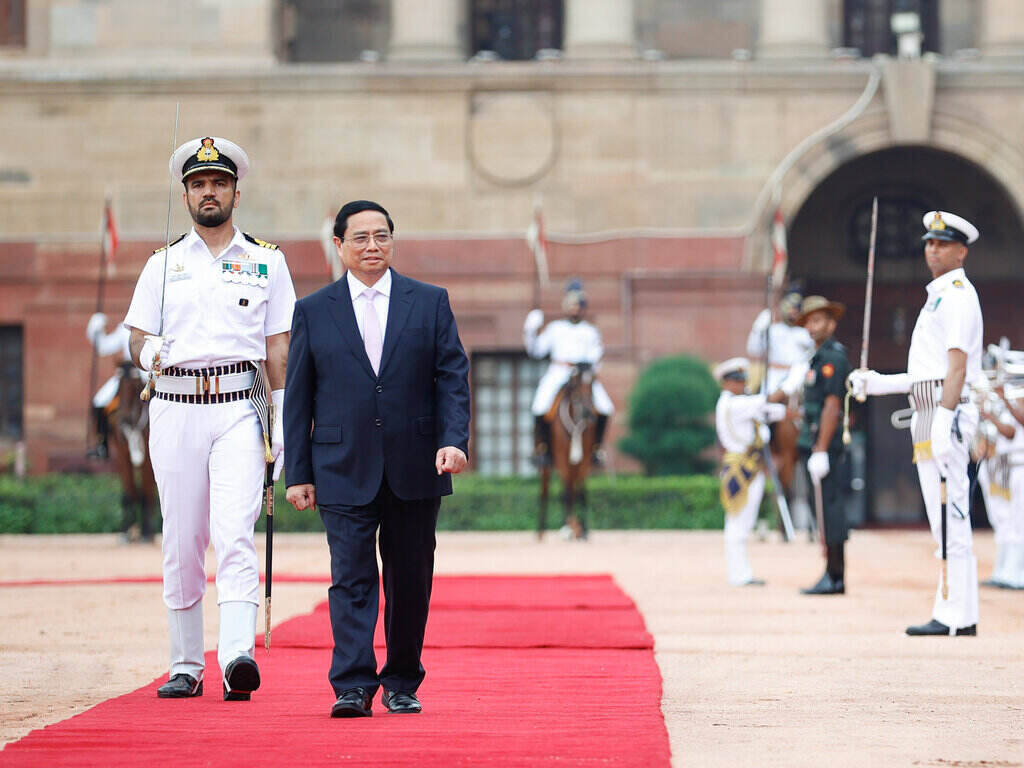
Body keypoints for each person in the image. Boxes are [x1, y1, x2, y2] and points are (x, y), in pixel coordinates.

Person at [284, 200, 471, 718]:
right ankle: (352, 684)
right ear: (339, 245)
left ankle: (402, 682)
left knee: (410, 579)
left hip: (417, 466)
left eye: (382, 236)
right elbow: (298, 398)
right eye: (361, 238)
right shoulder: (313, 310)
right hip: (341, 466)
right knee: (351, 577)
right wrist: (297, 471)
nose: (373, 246)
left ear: (393, 241)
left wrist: (454, 440)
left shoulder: (429, 302)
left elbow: (452, 378)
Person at [124, 136, 296, 698]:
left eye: (218, 183)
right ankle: (184, 664)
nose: (208, 192)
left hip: (237, 410)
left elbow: (278, 350)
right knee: (181, 538)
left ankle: (237, 656)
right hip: (174, 407)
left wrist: (282, 422)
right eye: (198, 184)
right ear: (186, 195)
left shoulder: (267, 260)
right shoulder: (163, 263)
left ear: (236, 193)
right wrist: (153, 354)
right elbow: (135, 339)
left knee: (235, 532)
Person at [850, 210, 983, 635]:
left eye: (942, 244)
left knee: (952, 518)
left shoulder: (959, 293)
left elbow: (957, 367)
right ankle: (953, 609)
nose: (933, 249)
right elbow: (924, 371)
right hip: (927, 413)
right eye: (929, 243)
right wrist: (878, 383)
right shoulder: (937, 295)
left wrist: (944, 418)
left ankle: (956, 616)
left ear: (961, 251)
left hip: (947, 412)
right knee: (941, 519)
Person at [714, 357, 789, 586]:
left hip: (749, 468)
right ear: (726, 382)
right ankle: (739, 575)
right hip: (741, 469)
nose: (742, 384)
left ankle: (742, 573)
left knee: (743, 525)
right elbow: (768, 402)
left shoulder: (741, 404)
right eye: (738, 380)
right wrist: (789, 382)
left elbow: (772, 411)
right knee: (738, 524)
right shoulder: (734, 404)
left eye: (743, 380)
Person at [524, 280, 614, 466]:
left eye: (578, 305)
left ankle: (596, 449)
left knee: (605, 408)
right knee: (540, 406)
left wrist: (588, 367)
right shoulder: (555, 328)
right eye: (571, 305)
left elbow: (597, 355)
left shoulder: (590, 331)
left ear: (583, 308)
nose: (575, 309)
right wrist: (531, 329)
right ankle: (542, 449)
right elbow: (536, 351)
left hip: (583, 375)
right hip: (559, 372)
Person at [795, 296, 852, 595]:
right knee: (822, 511)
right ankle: (830, 572)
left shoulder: (833, 358)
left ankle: (835, 575)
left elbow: (832, 406)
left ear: (831, 323)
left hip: (825, 446)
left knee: (830, 509)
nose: (813, 326)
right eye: (809, 321)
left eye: (819, 320)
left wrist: (820, 448)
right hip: (814, 442)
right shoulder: (816, 357)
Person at [85, 312, 132, 459]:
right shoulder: (125, 328)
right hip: (126, 376)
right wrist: (96, 330)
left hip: (151, 377)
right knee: (99, 402)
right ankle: (102, 445)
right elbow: (104, 347)